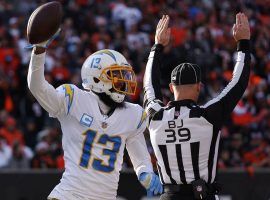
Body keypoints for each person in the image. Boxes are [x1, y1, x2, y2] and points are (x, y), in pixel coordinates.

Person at [27, 32, 163, 199]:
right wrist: (39, 51)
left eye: (124, 76)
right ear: (97, 79)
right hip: (70, 194)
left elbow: (140, 157)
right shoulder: (74, 98)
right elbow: (37, 87)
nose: (123, 82)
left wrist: (146, 173)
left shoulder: (132, 114)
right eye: (116, 76)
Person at [143, 14, 250, 200]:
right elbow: (238, 84)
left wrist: (157, 47)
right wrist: (243, 45)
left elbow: (148, 86)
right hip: (201, 196)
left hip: (168, 196)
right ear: (199, 87)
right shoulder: (207, 116)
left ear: (170, 87)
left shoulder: (155, 116)